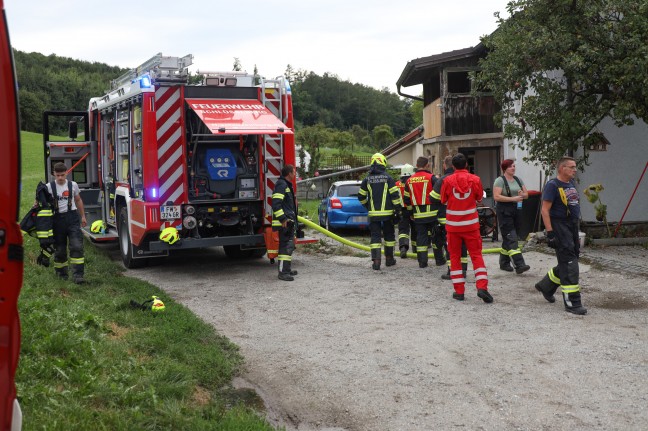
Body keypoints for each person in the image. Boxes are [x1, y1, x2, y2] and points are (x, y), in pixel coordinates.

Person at [534, 157, 587, 315]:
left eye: (575, 167)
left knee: (570, 259)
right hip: (559, 226)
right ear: (562, 168)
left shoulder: (570, 184)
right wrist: (550, 232)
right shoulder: (553, 185)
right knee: (570, 264)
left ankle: (546, 285)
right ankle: (572, 303)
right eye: (571, 167)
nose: (574, 169)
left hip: (571, 227)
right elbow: (545, 210)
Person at [440, 153, 492, 303]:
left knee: (455, 258)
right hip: (471, 226)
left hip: (453, 227)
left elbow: (443, 199)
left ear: (453, 166)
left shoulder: (447, 180)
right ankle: (482, 287)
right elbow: (479, 198)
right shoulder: (475, 179)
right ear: (467, 165)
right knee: (476, 256)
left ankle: (459, 292)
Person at [358, 153, 402, 270]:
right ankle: (389, 259)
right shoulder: (388, 178)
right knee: (389, 236)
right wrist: (398, 210)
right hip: (388, 214)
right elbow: (395, 195)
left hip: (373, 215)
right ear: (383, 162)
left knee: (375, 237)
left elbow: (361, 197)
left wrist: (368, 207)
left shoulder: (367, 179)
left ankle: (376, 262)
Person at [47, 162, 87, 284]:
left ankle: (78, 275)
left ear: (67, 173)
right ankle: (61, 275)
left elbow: (78, 200)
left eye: (62, 175)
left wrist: (83, 216)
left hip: (72, 218)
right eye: (57, 175)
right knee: (60, 249)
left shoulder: (73, 185)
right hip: (57, 220)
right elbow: (40, 203)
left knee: (76, 246)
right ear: (54, 174)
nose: (60, 178)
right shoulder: (49, 187)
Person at [404, 156, 445, 268]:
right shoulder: (432, 178)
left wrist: (411, 214)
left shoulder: (409, 180)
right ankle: (439, 260)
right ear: (427, 165)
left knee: (421, 238)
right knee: (436, 237)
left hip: (418, 215)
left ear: (416, 166)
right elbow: (440, 194)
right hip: (433, 214)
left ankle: (422, 262)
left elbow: (406, 200)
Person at [431, 155, 468, 280]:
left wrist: (443, 201)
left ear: (445, 165)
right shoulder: (468, 178)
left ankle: (452, 271)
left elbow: (433, 197)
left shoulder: (443, 180)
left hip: (448, 218)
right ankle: (463, 270)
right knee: (463, 244)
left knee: (450, 245)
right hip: (465, 218)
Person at [493, 159, 531, 274]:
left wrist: (522, 195)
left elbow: (527, 195)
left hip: (517, 210)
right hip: (504, 210)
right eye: (510, 166)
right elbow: (496, 197)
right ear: (505, 168)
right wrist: (513, 198)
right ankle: (519, 264)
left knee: (509, 237)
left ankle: (504, 263)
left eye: (514, 166)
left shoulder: (518, 180)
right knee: (511, 237)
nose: (513, 168)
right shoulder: (499, 181)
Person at [272, 164, 299, 281]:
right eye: (294, 172)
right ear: (289, 174)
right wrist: (283, 219)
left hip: (289, 222)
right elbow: (276, 204)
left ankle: (286, 270)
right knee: (285, 248)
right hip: (284, 223)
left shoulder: (287, 185)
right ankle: (283, 273)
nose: (295, 174)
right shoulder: (281, 185)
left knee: (289, 246)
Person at [395, 164, 416, 258]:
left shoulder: (396, 184)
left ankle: (403, 247)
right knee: (415, 229)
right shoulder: (413, 183)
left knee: (403, 230)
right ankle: (416, 249)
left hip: (401, 211)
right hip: (412, 210)